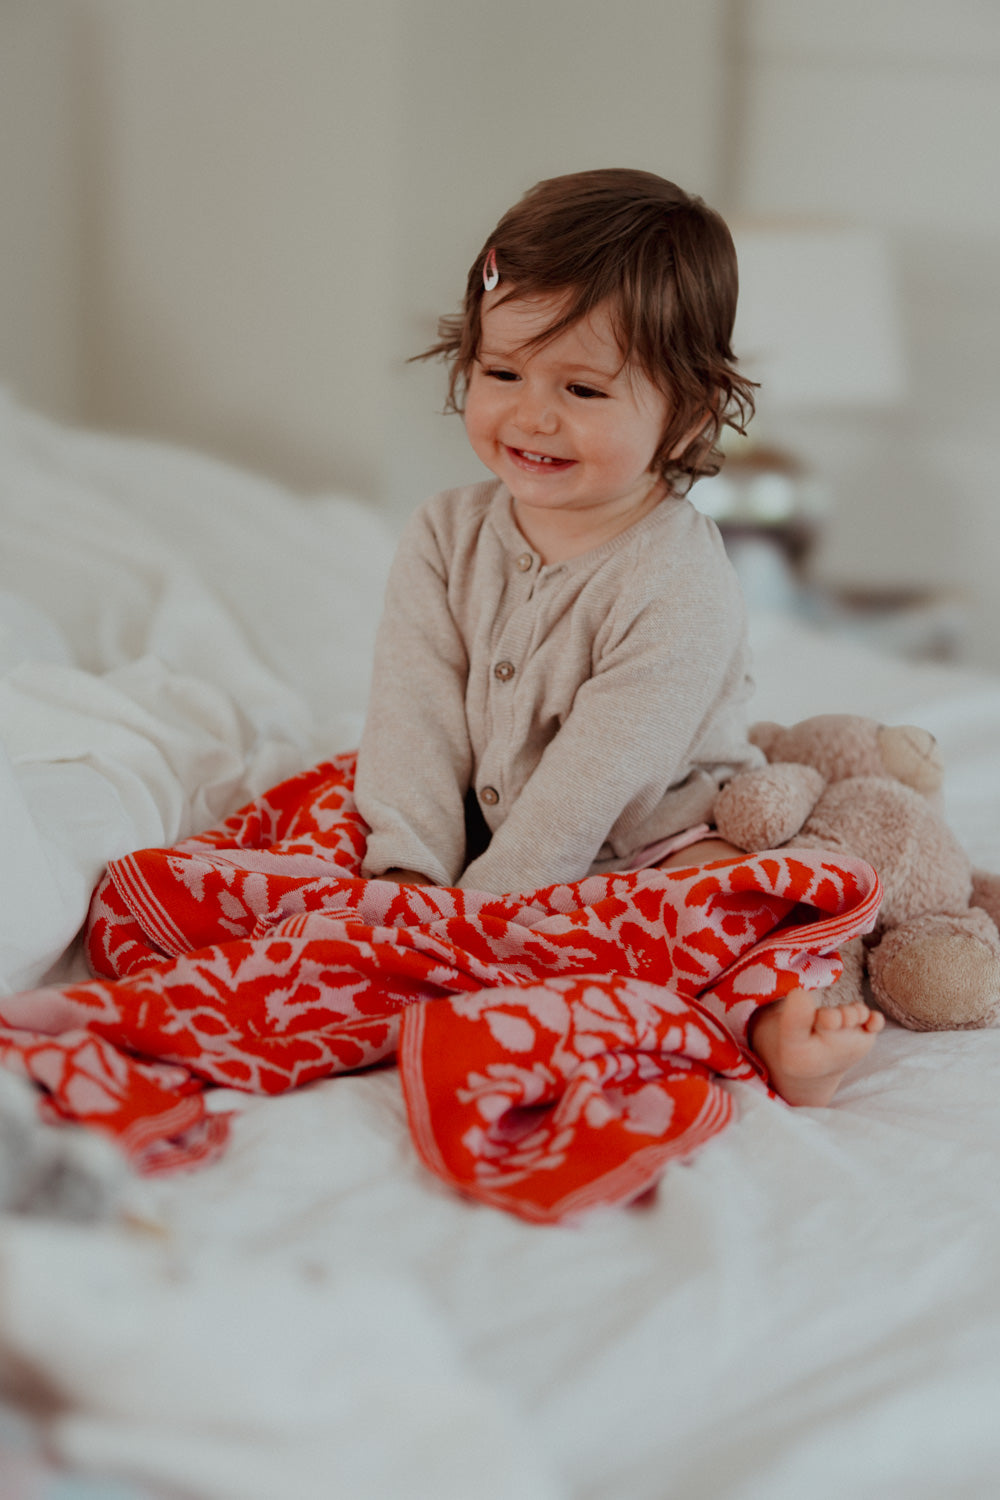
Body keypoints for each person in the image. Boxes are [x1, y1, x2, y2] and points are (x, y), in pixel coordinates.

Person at [355, 168, 883, 1103]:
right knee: (329, 815)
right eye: (502, 372)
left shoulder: (676, 577)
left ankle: (776, 1024)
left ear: (681, 412)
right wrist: (409, 876)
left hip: (650, 837)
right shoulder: (444, 533)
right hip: (485, 838)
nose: (532, 415)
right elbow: (415, 712)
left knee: (732, 902)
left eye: (585, 390)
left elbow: (601, 772)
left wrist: (475, 921)